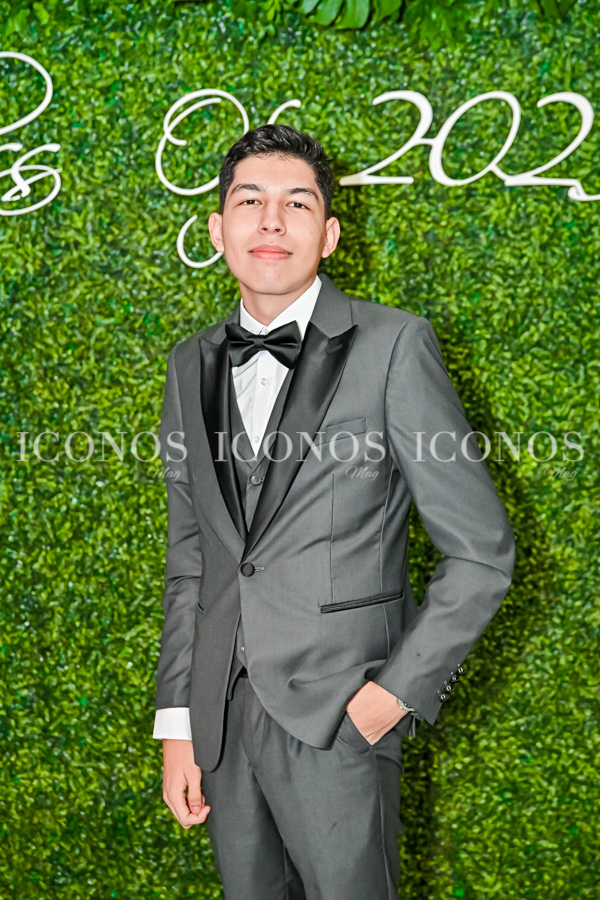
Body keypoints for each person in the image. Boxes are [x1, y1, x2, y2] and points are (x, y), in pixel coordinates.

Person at [152, 123, 515, 900]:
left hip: (340, 719)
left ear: (330, 234)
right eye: (250, 201)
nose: (271, 221)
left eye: (297, 203)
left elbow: (481, 552)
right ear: (217, 229)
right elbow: (194, 557)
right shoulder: (189, 362)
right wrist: (177, 721)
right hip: (219, 723)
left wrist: (392, 695)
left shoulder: (395, 345)